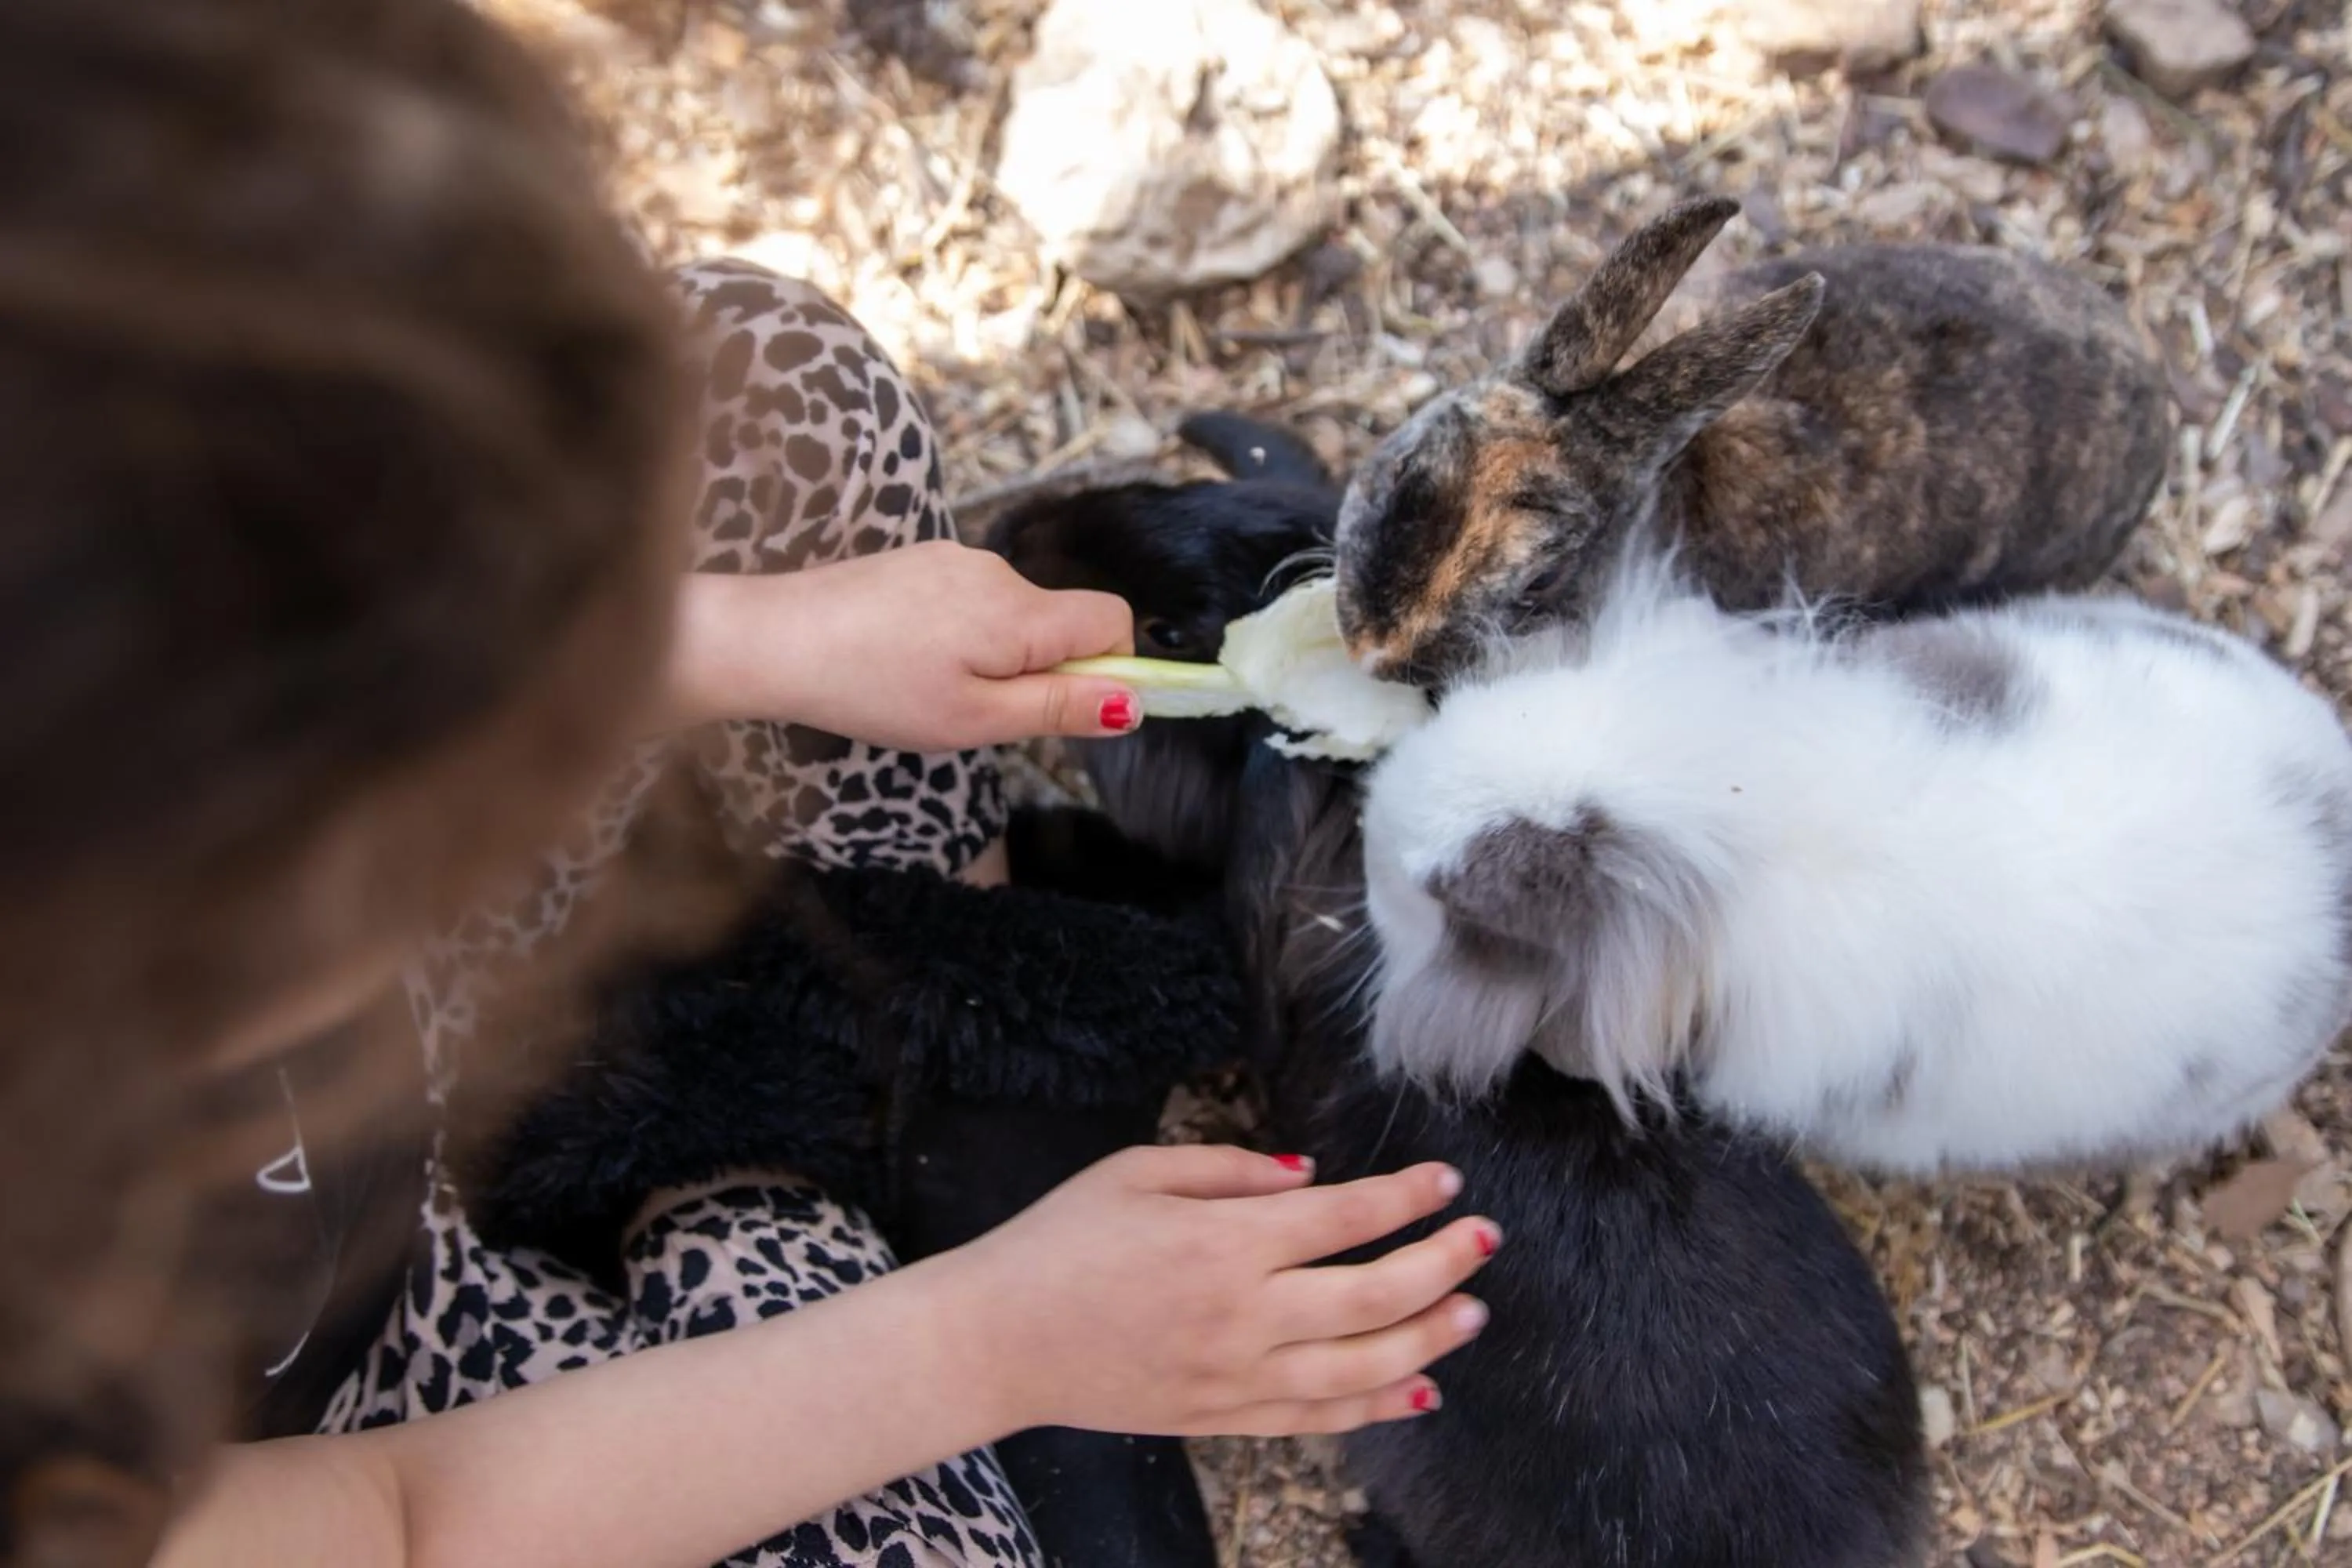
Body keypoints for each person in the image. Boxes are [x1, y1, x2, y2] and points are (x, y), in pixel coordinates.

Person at [0, 3, 1500, 1566]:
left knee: (774, 390)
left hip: (301, 1041)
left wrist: (744, 639)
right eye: (446, 779)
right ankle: (844, 1186)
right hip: (355, 1445)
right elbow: (404, 1521)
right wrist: (986, 1345)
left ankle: (881, 1121)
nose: (548, 769)